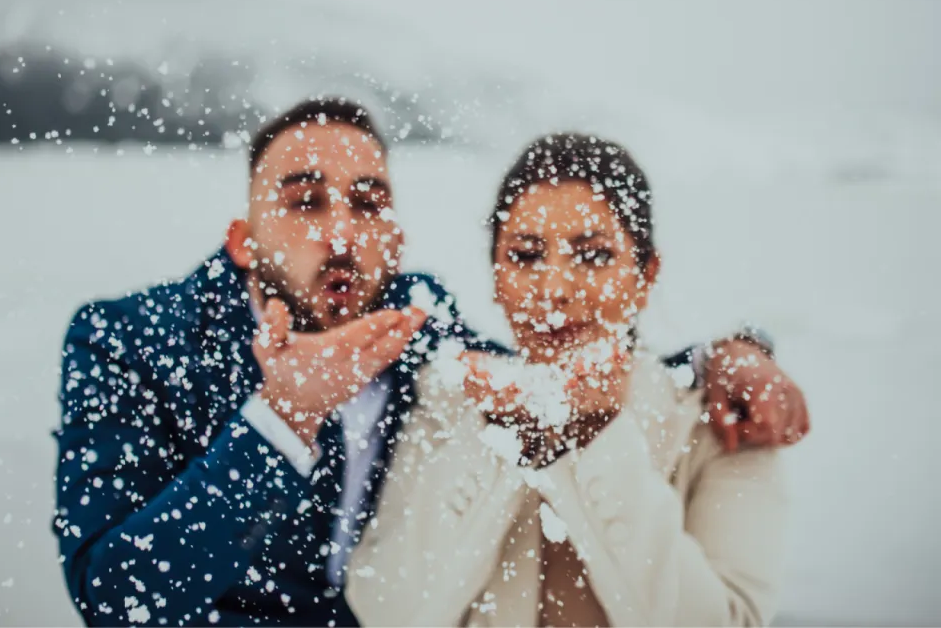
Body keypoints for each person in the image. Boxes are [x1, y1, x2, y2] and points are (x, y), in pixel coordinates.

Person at [53, 99, 809, 626]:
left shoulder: (417, 324)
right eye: (307, 201)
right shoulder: (131, 339)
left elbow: (569, 363)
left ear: (397, 236)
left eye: (368, 201)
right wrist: (280, 419)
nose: (343, 231)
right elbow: (121, 600)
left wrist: (728, 355)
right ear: (244, 240)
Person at [347, 133, 799, 626]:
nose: (555, 289)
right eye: (525, 255)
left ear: (645, 275)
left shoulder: (725, 425)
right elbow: (387, 612)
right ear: (495, 277)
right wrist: (496, 434)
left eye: (593, 255)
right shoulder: (445, 402)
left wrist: (598, 435)